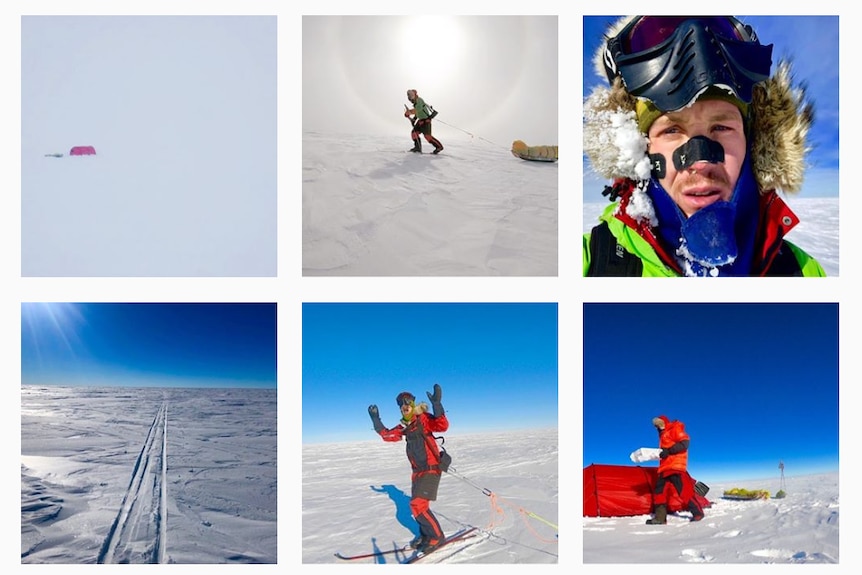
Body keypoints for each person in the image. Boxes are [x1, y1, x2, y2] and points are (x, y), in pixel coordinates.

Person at [582, 16, 826, 276]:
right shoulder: (595, 262)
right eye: (672, 130)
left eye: (721, 128)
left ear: (754, 144)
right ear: (640, 149)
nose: (700, 162)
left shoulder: (803, 272)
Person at [368, 383, 449, 552]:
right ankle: (426, 535)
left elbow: (442, 426)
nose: (404, 406)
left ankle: (436, 537)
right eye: (401, 404)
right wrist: (376, 420)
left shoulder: (424, 419)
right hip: (417, 472)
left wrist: (437, 404)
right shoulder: (405, 425)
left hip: (430, 468)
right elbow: (388, 436)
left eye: (407, 402)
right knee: (417, 506)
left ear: (413, 404)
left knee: (418, 504)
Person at [646, 415, 704, 524]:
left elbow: (684, 443)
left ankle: (698, 513)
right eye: (656, 425)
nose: (657, 426)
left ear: (664, 422)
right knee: (659, 493)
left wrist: (668, 451)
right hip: (664, 468)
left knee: (684, 491)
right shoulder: (662, 435)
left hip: (675, 466)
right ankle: (660, 518)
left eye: (659, 423)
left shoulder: (674, 429)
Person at [405, 89, 444, 154]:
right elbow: (418, 113)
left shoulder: (419, 100)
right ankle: (417, 148)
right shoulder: (415, 103)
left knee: (428, 136)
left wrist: (409, 112)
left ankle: (439, 147)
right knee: (414, 133)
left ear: (415, 94)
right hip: (420, 121)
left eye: (411, 96)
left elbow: (418, 109)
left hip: (426, 121)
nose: (410, 98)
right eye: (409, 97)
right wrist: (414, 119)